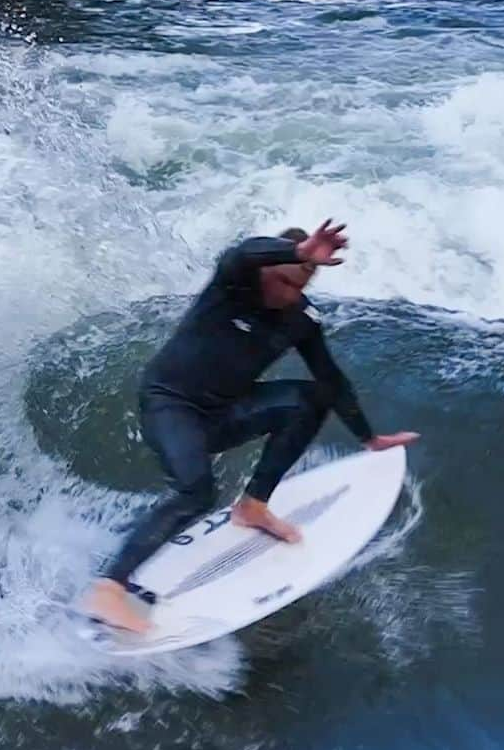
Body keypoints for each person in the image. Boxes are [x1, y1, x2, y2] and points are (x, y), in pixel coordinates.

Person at [79, 219, 418, 632]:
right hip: (172, 405)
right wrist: (298, 253)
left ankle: (254, 505)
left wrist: (368, 437)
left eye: (300, 287)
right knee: (197, 491)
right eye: (285, 282)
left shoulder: (299, 316)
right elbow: (246, 251)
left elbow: (331, 378)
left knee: (311, 397)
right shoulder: (235, 282)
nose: (290, 295)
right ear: (269, 269)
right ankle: (109, 588)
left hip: (225, 411)